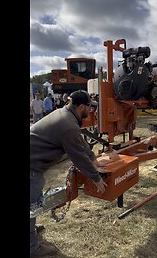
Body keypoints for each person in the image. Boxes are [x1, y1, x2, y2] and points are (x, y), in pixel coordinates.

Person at [29, 90, 108, 257]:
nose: (91, 111)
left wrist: (93, 158)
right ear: (81, 107)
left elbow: (79, 141)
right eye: (89, 107)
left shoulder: (66, 115)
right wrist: (96, 178)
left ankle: (31, 231)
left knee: (32, 202)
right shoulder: (67, 124)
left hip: (33, 164)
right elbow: (77, 156)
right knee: (31, 207)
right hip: (31, 167)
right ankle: (32, 247)